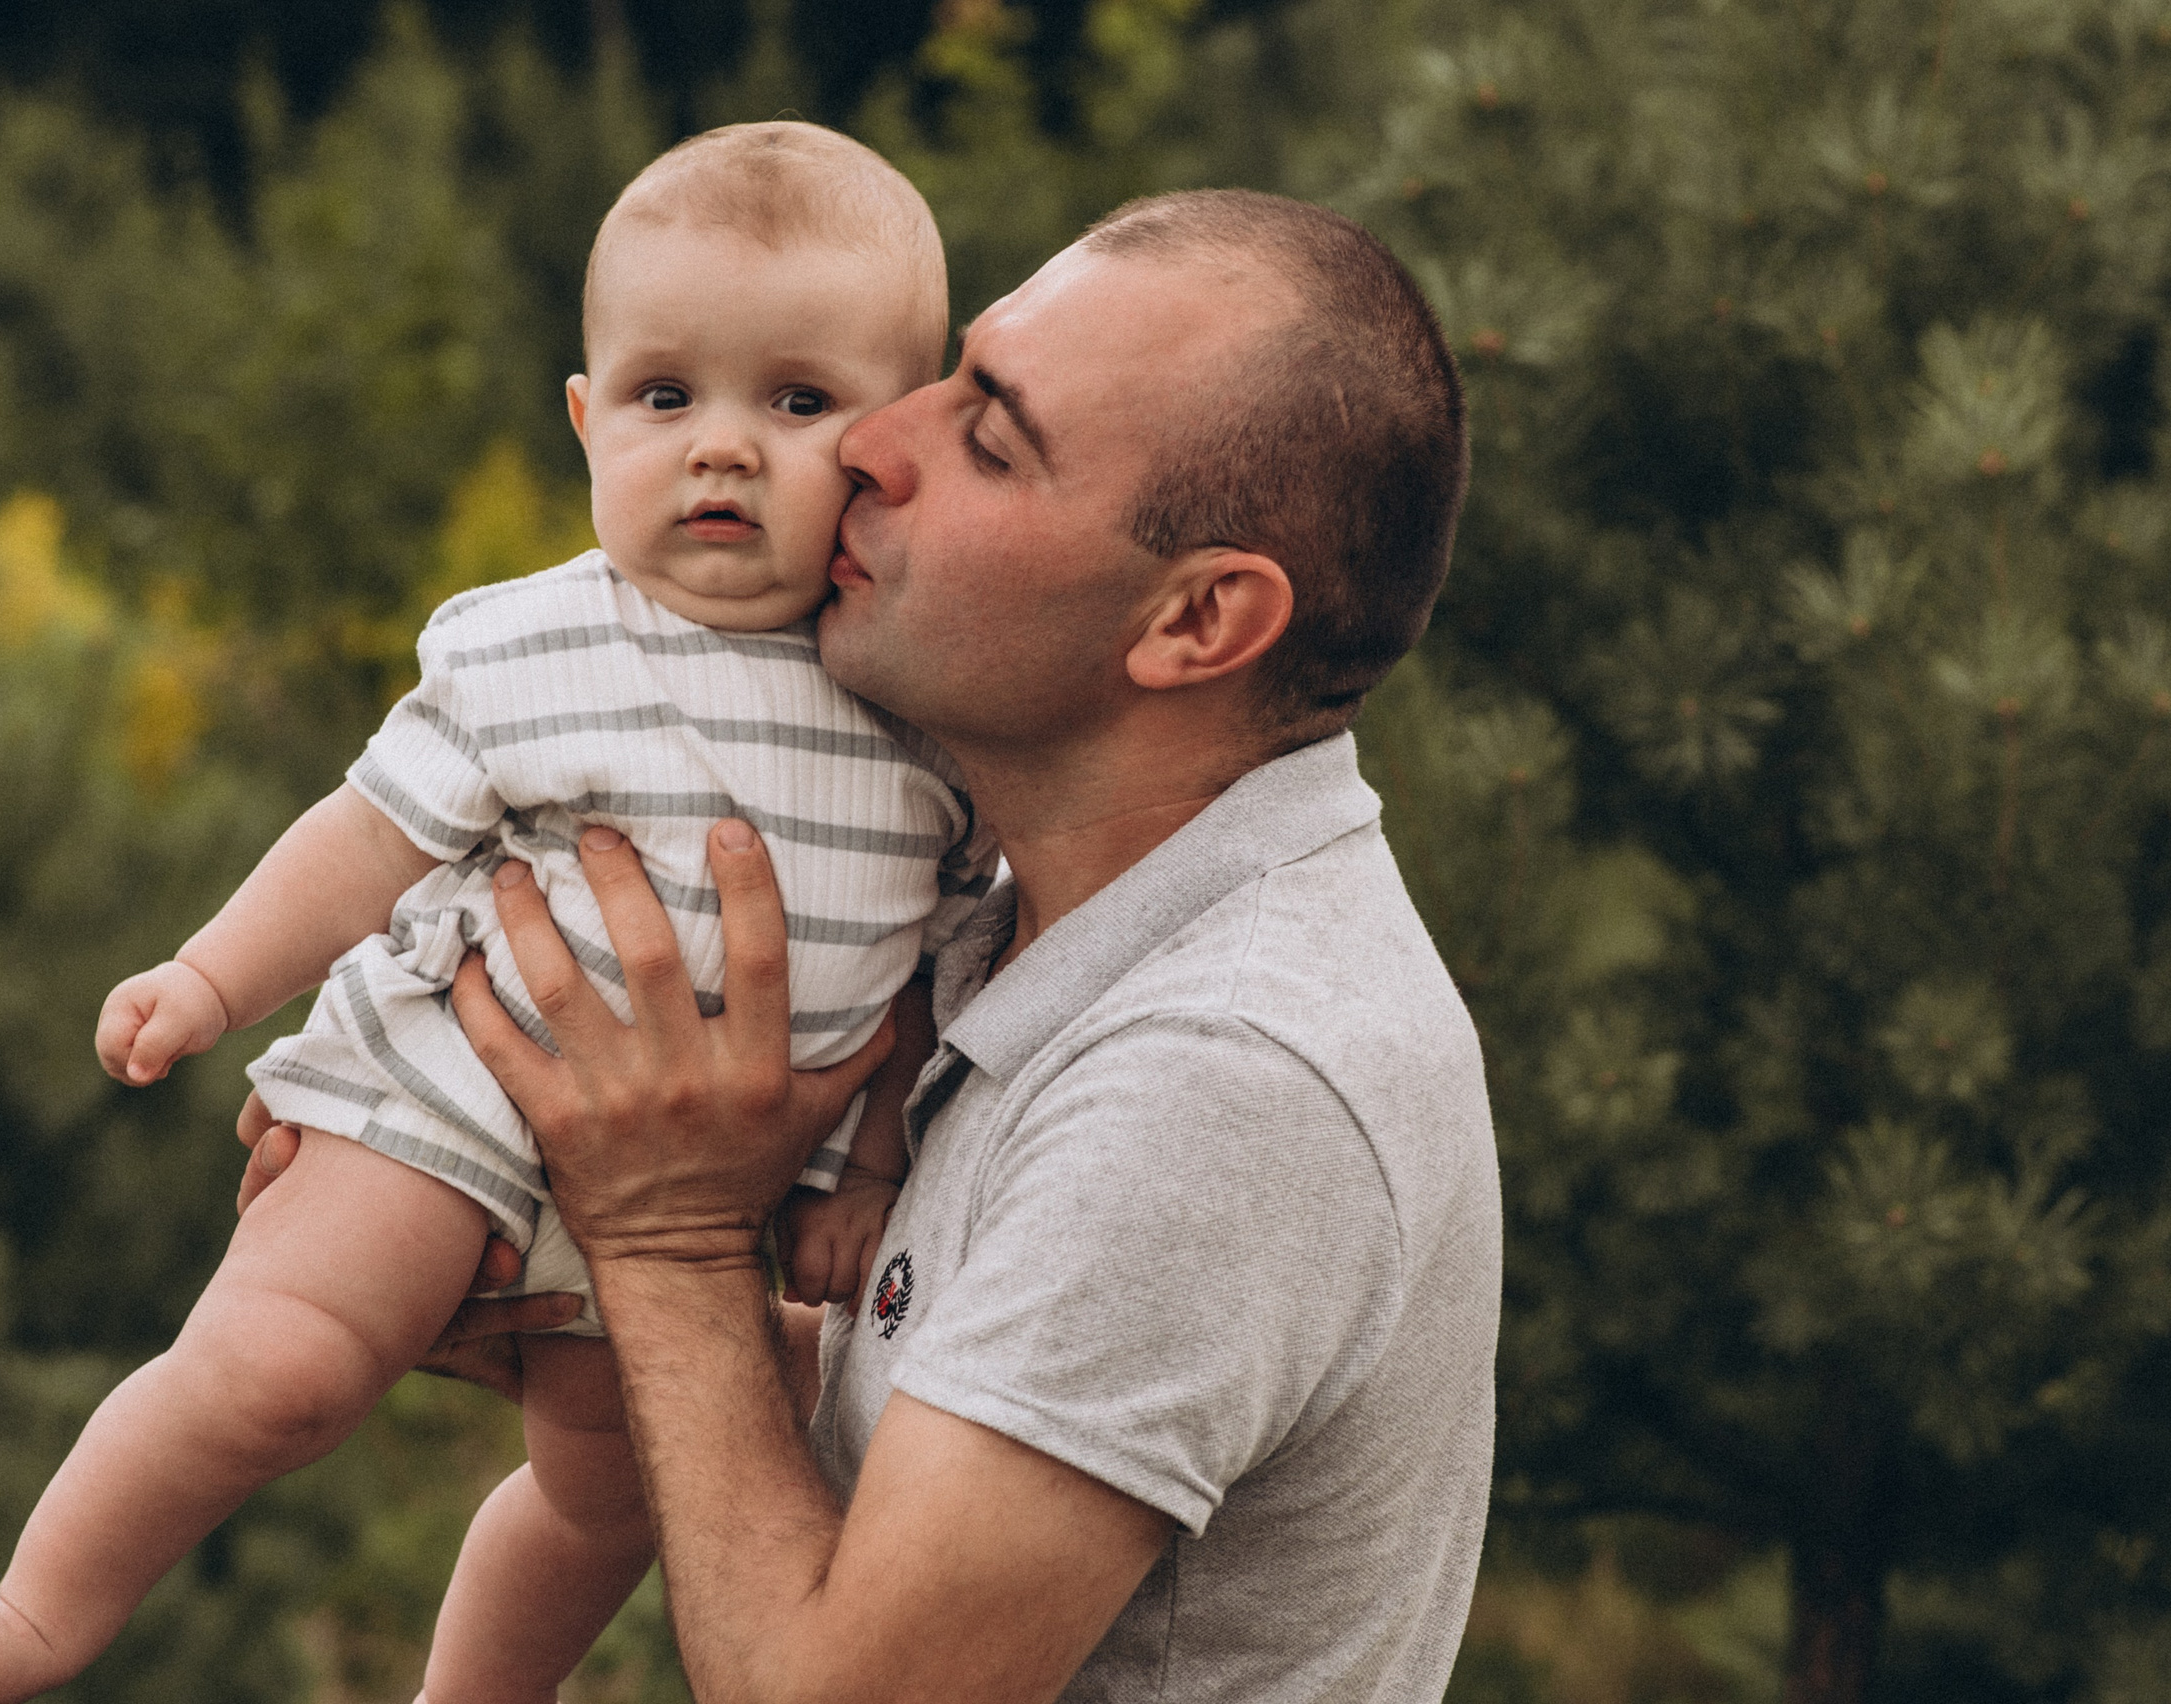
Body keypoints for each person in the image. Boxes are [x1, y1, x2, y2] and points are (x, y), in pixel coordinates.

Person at [292, 187, 1505, 1701]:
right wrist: (532, 1236)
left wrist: (667, 1244)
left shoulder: (1219, 1076)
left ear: (1197, 621)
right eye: (950, 374)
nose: (871, 441)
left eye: (990, 437)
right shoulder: (1015, 922)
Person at [0, 122, 991, 1704]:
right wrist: (213, 978)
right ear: (586, 418)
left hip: (715, 1190)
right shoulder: (532, 645)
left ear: (894, 440)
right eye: (665, 397)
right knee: (277, 1372)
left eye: (798, 402)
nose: (723, 449)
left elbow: (929, 972)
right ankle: (40, 1613)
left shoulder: (927, 707)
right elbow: (369, 837)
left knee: (609, 1502)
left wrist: (870, 1163)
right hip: (451, 1094)